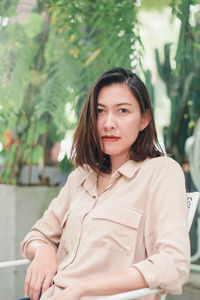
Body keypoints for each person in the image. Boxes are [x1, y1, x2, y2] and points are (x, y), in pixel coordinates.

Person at [21, 67, 190, 300]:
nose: (108, 123)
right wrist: (44, 251)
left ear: (144, 119)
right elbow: (37, 236)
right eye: (100, 111)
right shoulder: (82, 176)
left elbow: (174, 263)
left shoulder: (161, 173)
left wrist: (84, 288)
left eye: (123, 110)